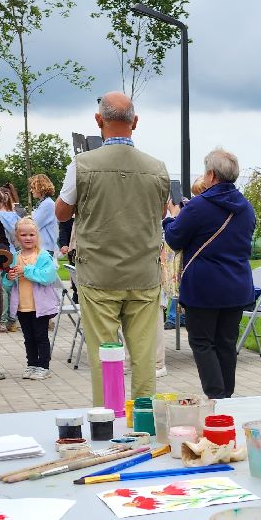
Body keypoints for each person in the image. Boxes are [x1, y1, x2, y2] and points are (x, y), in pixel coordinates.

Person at [55, 93, 170, 405]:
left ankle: (110, 418)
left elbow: (61, 213)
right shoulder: (157, 168)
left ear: (98, 120)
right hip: (143, 274)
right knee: (143, 355)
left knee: (105, 355)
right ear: (135, 122)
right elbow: (160, 212)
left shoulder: (81, 165)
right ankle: (144, 418)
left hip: (98, 274)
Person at [162, 147, 259, 399]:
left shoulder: (198, 206)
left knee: (202, 342)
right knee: (226, 342)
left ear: (212, 175)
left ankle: (216, 396)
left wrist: (172, 217)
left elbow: (174, 239)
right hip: (237, 285)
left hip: (203, 286)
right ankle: (226, 396)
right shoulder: (247, 207)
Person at [4, 217, 61, 379]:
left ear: (37, 236)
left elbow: (48, 277)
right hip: (22, 306)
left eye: (31, 234)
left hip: (40, 307)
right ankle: (32, 364)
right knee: (28, 338)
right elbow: (7, 284)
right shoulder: (15, 257)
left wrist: (26, 270)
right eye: (23, 235)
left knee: (41, 337)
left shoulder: (43, 256)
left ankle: (44, 366)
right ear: (17, 237)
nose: (28, 238)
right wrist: (9, 277)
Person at [0, 185, 21, 333]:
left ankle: (2, 321)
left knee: (2, 289)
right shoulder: (14, 215)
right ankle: (12, 319)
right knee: (12, 288)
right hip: (13, 254)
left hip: (0, 255)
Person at [29, 173, 60, 255]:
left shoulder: (47, 204)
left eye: (33, 188)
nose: (31, 191)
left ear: (40, 187)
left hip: (45, 248)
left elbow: (34, 224)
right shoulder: (43, 203)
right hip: (42, 247)